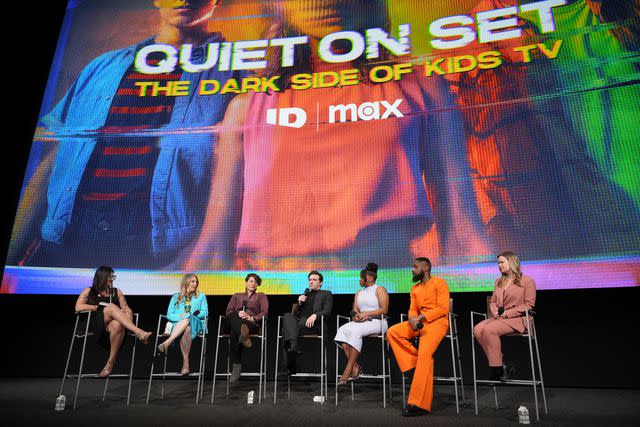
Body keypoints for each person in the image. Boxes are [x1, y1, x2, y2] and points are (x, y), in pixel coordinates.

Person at [185, 0, 492, 271]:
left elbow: (464, 232)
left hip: (384, 290)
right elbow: (213, 249)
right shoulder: (247, 109)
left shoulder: (421, 86)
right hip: (279, 299)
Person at [8, 0, 246, 269]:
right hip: (65, 242)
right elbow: (55, 162)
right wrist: (11, 256)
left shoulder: (238, 71)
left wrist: (197, 257)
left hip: (155, 253)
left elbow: (241, 184)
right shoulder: (102, 67)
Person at [387, 257, 449, 417]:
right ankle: (415, 364)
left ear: (426, 268)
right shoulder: (415, 288)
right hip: (418, 323)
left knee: (425, 356)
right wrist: (412, 319)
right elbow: (412, 309)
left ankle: (417, 403)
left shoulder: (439, 283)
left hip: (437, 323)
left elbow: (443, 308)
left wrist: (420, 318)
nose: (412, 270)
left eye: (415, 267)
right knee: (393, 332)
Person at [74, 266, 153, 378]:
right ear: (102, 277)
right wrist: (99, 307)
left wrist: (128, 317)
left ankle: (110, 362)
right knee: (110, 307)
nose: (112, 279)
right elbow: (78, 307)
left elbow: (126, 308)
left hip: (110, 328)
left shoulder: (117, 291)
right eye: (110, 277)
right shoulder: (89, 291)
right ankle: (138, 332)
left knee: (118, 325)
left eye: (113, 277)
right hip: (92, 324)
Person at [473, 251, 536, 381]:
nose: (499, 265)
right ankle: (502, 365)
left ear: (511, 262)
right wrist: (495, 310)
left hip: (518, 319)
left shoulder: (527, 281)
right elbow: (493, 301)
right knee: (477, 330)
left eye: (502, 262)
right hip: (500, 318)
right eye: (498, 263)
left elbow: (529, 305)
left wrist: (508, 313)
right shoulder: (498, 282)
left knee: (489, 330)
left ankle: (496, 369)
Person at [334, 262, 389, 385]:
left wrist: (367, 314)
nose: (360, 279)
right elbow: (354, 310)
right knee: (343, 330)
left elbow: (384, 310)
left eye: (361, 277)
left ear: (369, 277)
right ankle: (355, 367)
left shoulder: (379, 289)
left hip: (378, 322)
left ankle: (348, 370)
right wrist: (356, 316)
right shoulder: (359, 292)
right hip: (361, 323)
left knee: (355, 331)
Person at [282, 270, 333, 375]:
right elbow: (294, 315)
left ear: (321, 283)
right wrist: (299, 303)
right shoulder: (305, 295)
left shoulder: (326, 293)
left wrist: (315, 315)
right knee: (287, 315)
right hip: (300, 323)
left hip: (314, 325)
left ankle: (290, 366)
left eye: (314, 280)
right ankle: (294, 347)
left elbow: (327, 311)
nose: (311, 282)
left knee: (285, 331)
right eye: (310, 280)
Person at [157, 273, 208, 375]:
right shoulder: (176, 297)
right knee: (186, 327)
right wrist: (181, 316)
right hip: (178, 326)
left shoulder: (201, 296)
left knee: (187, 320)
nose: (195, 284)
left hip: (196, 323)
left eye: (196, 282)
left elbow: (205, 312)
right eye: (192, 281)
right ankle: (186, 362)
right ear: (186, 282)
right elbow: (169, 314)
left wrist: (190, 315)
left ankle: (168, 341)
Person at [223, 273, 269, 382]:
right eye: (251, 281)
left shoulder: (261, 296)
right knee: (234, 316)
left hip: (249, 323)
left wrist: (251, 318)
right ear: (246, 282)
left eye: (256, 282)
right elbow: (228, 311)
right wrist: (238, 313)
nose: (253, 283)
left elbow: (264, 313)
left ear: (257, 285)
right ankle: (243, 335)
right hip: (232, 321)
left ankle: (236, 367)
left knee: (237, 330)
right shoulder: (236, 296)